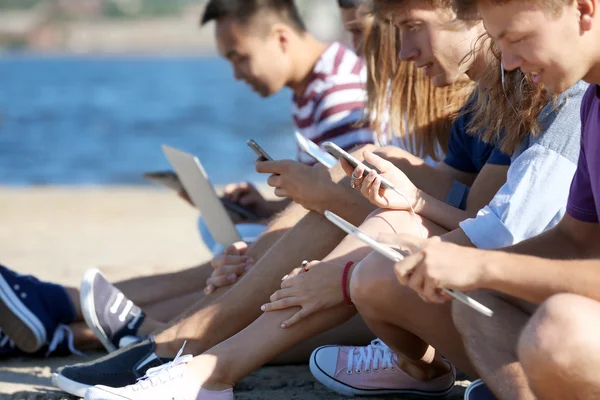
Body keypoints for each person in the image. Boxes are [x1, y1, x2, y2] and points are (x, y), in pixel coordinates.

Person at [64, 1, 582, 399]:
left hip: (513, 303)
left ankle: (185, 348)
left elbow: (491, 229)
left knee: (352, 226)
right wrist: (397, 186)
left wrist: (358, 211)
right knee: (345, 215)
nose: (396, 52)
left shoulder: (546, 94)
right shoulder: (503, 97)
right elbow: (480, 210)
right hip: (491, 296)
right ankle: (179, 342)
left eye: (404, 27)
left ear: (469, 18)